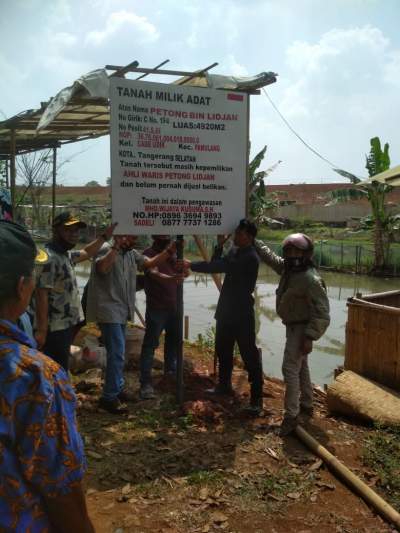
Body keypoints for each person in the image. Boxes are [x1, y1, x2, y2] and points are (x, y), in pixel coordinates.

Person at [0, 220, 94, 533]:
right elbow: (61, 488)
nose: (73, 234)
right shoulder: (33, 376)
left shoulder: (69, 256)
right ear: (21, 286)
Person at [86, 234, 176, 414]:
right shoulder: (105, 249)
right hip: (108, 309)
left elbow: (149, 263)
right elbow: (102, 268)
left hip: (120, 310)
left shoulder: (131, 253)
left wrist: (169, 251)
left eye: (135, 238)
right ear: (121, 236)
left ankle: (117, 389)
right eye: (131, 238)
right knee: (117, 352)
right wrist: (116, 247)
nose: (134, 242)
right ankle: (109, 398)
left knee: (117, 353)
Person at [182, 219, 264, 414]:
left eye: (240, 234)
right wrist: (218, 245)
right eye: (236, 233)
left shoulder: (251, 257)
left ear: (250, 237)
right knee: (223, 350)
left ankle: (256, 400)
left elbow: (218, 267)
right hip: (227, 311)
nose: (235, 237)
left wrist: (190, 264)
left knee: (249, 356)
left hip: (242, 314)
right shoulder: (236, 251)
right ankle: (224, 386)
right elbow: (216, 262)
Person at [255, 233, 330, 436]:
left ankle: (291, 416)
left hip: (301, 329)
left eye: (297, 251)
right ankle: (306, 404)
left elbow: (322, 312)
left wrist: (310, 336)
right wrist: (255, 240)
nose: (292, 254)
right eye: (289, 251)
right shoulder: (289, 270)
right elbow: (270, 258)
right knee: (301, 367)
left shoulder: (310, 279)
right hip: (294, 327)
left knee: (289, 369)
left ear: (306, 254)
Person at [33, 211, 116, 371]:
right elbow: (41, 295)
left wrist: (105, 237)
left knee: (60, 365)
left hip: (66, 324)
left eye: (76, 231)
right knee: (54, 368)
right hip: (53, 328)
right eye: (68, 230)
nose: (74, 235)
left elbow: (86, 252)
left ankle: (59, 393)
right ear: (55, 231)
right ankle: (56, 394)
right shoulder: (48, 258)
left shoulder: (65, 255)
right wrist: (42, 331)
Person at [139, 235, 185, 399]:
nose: (165, 237)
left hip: (174, 307)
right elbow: (153, 273)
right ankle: (145, 383)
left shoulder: (174, 254)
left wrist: (184, 269)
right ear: (154, 236)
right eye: (162, 235)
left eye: (167, 235)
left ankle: (170, 376)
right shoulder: (147, 254)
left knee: (173, 343)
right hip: (157, 308)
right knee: (150, 345)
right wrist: (172, 278)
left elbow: (185, 273)